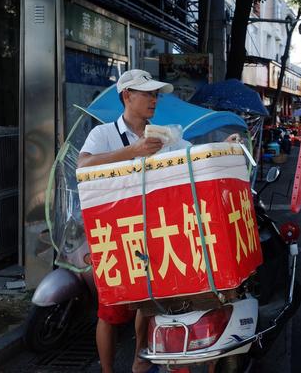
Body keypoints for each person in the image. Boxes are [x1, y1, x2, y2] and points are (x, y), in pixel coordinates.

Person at [78, 69, 239, 373]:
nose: (154, 99)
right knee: (111, 310)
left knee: (150, 299)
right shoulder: (103, 134)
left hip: (155, 230)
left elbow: (194, 157)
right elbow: (83, 164)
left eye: (155, 94)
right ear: (127, 96)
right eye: (148, 94)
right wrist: (131, 152)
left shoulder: (165, 135)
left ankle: (141, 357)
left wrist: (226, 145)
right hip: (116, 233)